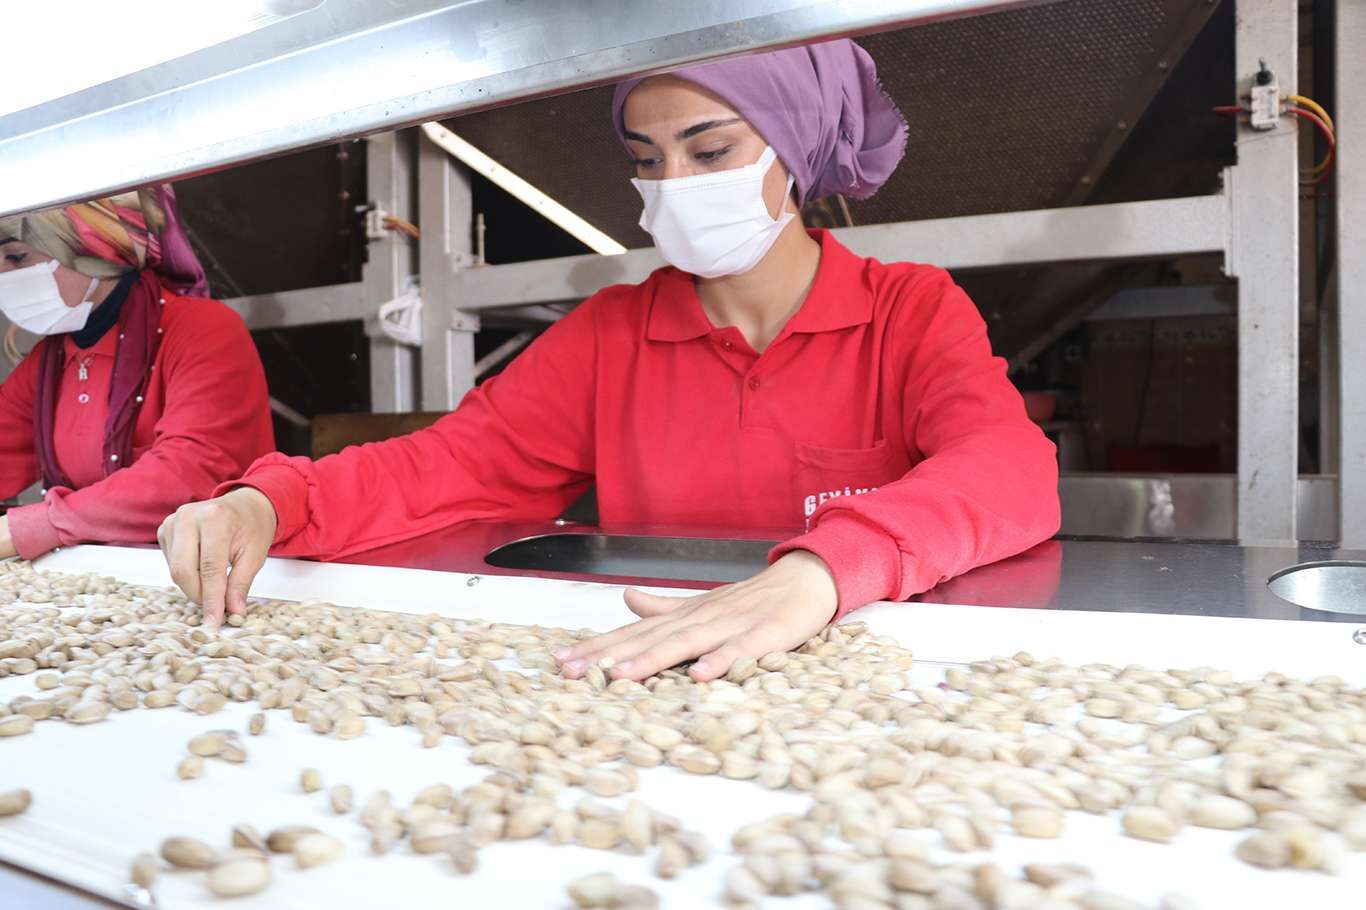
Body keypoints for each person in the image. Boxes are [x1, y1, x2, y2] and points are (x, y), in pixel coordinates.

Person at [157, 40, 1059, 681]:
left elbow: (1010, 470)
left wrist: (821, 573)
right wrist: (268, 501)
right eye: (646, 159)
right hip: (650, 668)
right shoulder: (611, 336)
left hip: (864, 666)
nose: (672, 187)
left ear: (797, 149)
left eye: (710, 151)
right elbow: (449, 466)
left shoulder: (905, 310)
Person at [0, 186, 274, 560]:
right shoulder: (49, 362)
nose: (3, 274)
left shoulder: (203, 330)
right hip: (105, 573)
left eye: (17, 257)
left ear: (93, 248)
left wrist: (30, 527)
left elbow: (188, 476)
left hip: (212, 571)